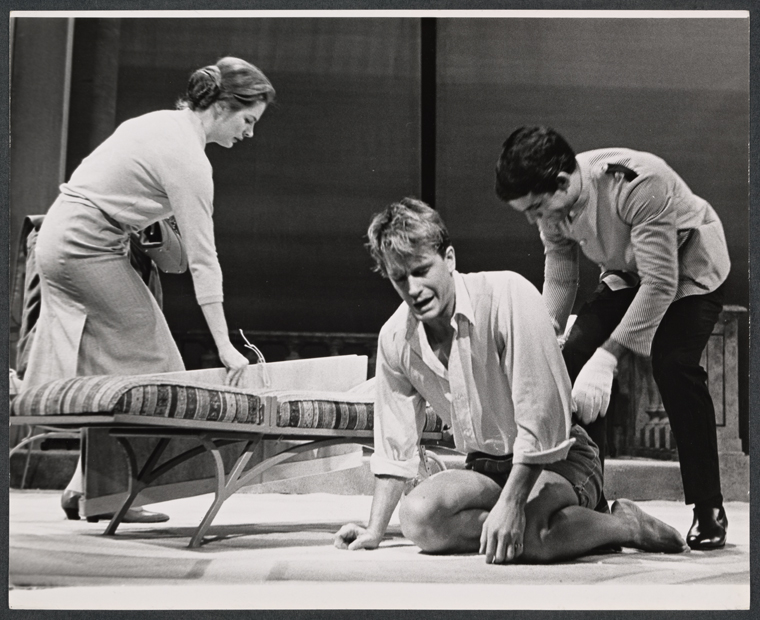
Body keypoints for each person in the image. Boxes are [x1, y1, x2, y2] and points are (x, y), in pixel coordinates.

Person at [334, 198, 688, 563]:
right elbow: (395, 442)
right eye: (399, 278)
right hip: (485, 465)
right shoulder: (396, 337)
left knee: (530, 537)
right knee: (419, 519)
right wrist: (374, 530)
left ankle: (624, 524)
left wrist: (513, 505)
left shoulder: (506, 294)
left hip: (558, 457)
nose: (414, 289)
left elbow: (541, 418)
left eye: (422, 270)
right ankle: (547, 528)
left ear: (450, 259)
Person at [22, 57, 276, 522]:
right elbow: (203, 261)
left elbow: (174, 256)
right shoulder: (188, 158)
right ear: (222, 106)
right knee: (156, 365)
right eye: (248, 120)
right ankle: (113, 494)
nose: (249, 133)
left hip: (67, 235)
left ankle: (85, 489)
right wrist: (225, 347)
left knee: (110, 366)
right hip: (84, 243)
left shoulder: (161, 125)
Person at [494, 126, 731, 550]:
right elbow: (562, 277)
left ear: (563, 183)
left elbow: (661, 284)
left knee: (673, 364)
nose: (534, 219)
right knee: (572, 355)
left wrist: (609, 359)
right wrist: (545, 335)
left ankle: (708, 507)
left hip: (690, 271)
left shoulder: (639, 183)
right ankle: (594, 500)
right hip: (629, 271)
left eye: (534, 208)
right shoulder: (552, 203)